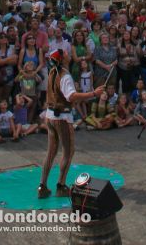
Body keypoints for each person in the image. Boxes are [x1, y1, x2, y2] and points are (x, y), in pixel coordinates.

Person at [38, 49, 105, 199]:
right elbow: (71, 96)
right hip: (61, 117)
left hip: (50, 115)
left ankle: (42, 186)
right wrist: (93, 94)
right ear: (62, 59)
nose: (68, 54)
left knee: (51, 152)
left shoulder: (52, 72)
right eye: (65, 54)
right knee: (68, 152)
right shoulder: (65, 75)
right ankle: (61, 186)